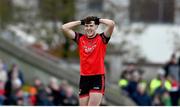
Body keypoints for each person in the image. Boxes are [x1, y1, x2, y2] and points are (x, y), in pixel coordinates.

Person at [61, 16, 115, 106]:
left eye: (91, 25)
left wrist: (99, 20)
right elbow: (64, 27)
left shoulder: (102, 38)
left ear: (96, 27)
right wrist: (81, 22)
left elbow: (111, 24)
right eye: (86, 26)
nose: (88, 28)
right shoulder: (80, 38)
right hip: (84, 78)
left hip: (97, 77)